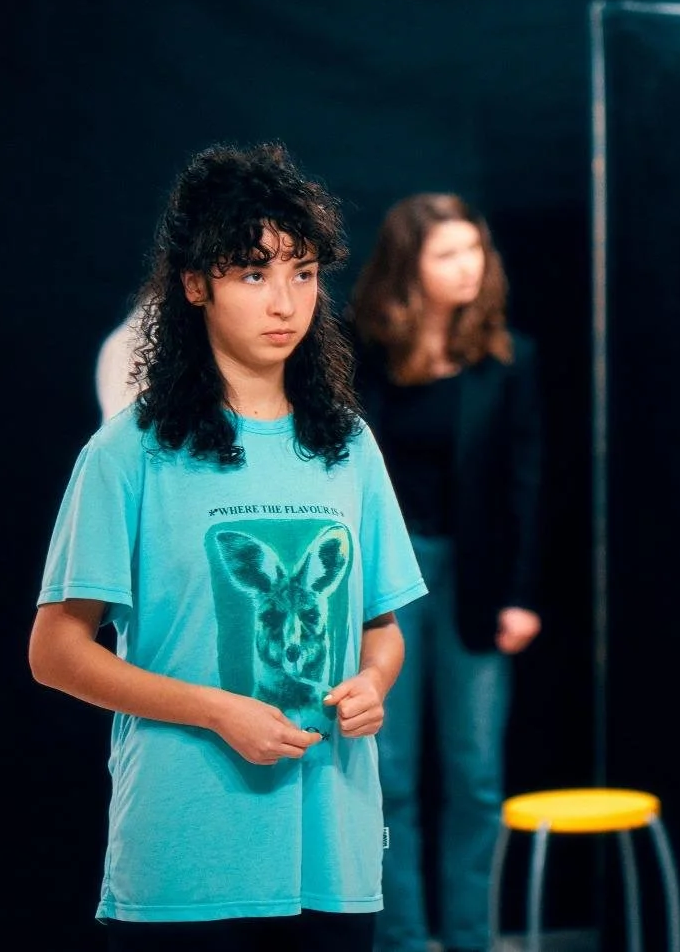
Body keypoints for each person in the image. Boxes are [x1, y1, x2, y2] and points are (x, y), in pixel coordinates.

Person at [29, 142, 427, 951]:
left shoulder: (347, 444)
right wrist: (215, 710)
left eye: (304, 271)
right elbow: (56, 651)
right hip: (186, 857)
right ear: (195, 283)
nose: (285, 300)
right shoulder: (130, 452)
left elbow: (382, 628)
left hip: (333, 849)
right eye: (253, 272)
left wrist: (372, 684)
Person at [346, 193, 543, 952]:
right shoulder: (361, 349)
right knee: (387, 777)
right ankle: (400, 939)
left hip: (478, 577)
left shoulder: (509, 357)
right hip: (382, 578)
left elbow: (530, 481)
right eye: (448, 253)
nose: (469, 266)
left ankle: (470, 937)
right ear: (410, 266)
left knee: (476, 777)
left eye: (475, 250)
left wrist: (524, 595)